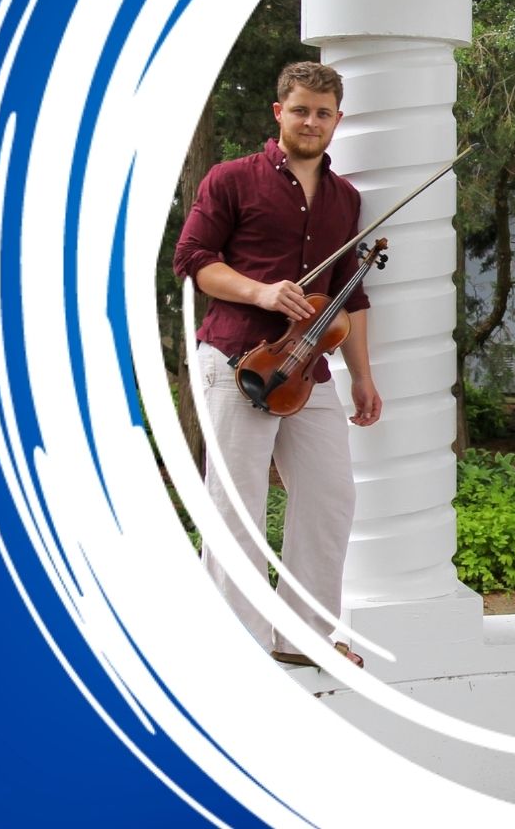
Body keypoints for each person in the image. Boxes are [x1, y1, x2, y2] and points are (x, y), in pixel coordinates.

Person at [172, 60, 381, 669]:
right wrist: (262, 292)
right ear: (279, 113)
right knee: (237, 502)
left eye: (323, 113)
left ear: (337, 121)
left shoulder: (345, 198)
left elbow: (351, 295)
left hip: (309, 370)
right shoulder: (231, 179)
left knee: (330, 495)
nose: (311, 122)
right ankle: (236, 644)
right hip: (239, 358)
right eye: (300, 110)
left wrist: (362, 376)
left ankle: (304, 637)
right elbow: (193, 258)